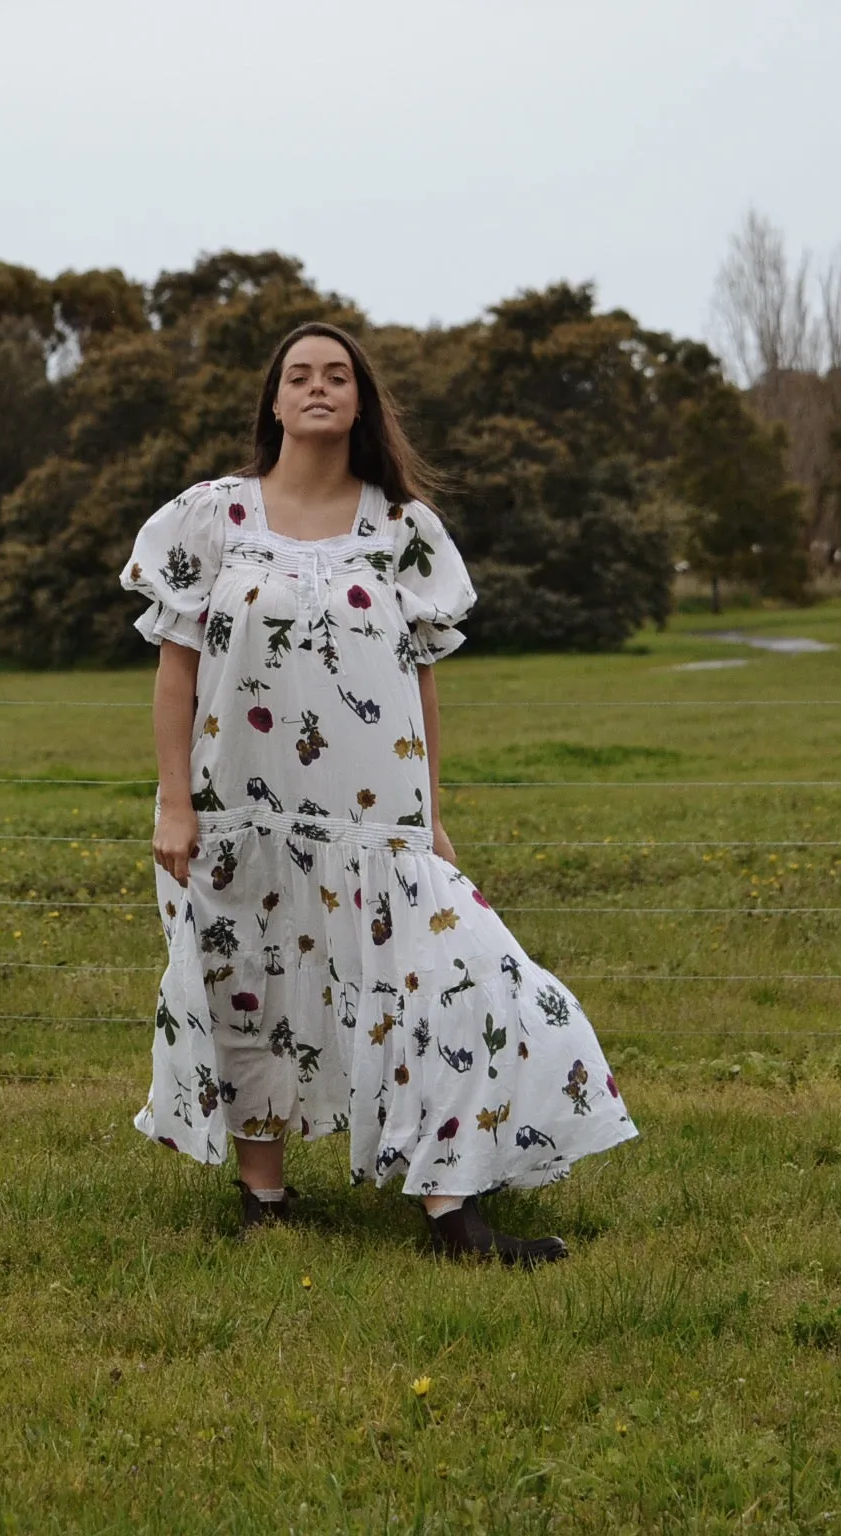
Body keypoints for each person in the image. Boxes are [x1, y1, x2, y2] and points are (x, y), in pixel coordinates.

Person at [119, 322, 636, 1264]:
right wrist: (173, 803)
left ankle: (452, 1211)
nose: (318, 388)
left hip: (378, 822)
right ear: (273, 402)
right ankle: (264, 1201)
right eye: (299, 376)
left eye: (338, 376)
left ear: (360, 402)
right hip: (242, 809)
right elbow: (175, 671)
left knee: (449, 982)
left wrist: (432, 811)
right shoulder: (211, 518)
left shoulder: (401, 530)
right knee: (249, 986)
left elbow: (423, 678)